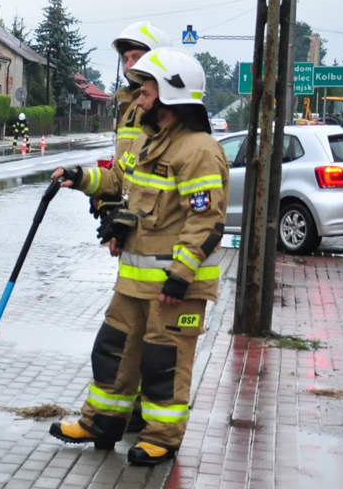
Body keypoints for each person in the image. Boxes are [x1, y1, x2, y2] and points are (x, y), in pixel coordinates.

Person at [47, 48, 229, 466]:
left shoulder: (197, 150)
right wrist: (80, 178)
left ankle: (162, 437)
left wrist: (181, 276)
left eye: (147, 92)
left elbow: (205, 221)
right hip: (135, 279)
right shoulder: (150, 141)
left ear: (169, 96)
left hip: (173, 285)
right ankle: (101, 423)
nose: (140, 100)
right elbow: (119, 182)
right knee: (113, 348)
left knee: (163, 362)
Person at [98, 22, 172, 432]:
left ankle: (148, 413)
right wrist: (113, 216)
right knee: (127, 330)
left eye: (136, 57)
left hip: (159, 241)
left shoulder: (162, 109)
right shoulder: (129, 106)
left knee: (154, 337)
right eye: (125, 58)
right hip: (134, 236)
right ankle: (124, 410)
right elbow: (124, 172)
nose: (129, 65)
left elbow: (159, 181)